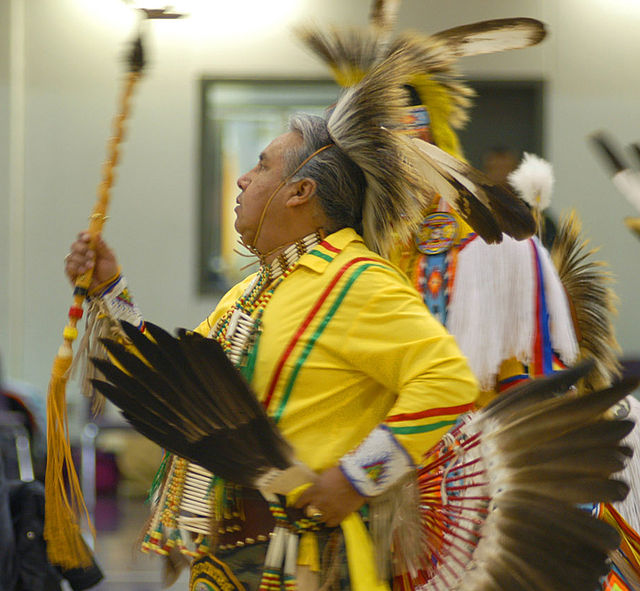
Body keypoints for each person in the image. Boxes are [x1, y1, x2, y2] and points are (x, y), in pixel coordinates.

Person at [65, 103, 479, 588]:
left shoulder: (359, 281)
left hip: (303, 561)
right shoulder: (254, 290)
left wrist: (356, 479)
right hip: (229, 557)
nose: (242, 179)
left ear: (301, 192)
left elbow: (448, 380)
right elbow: (177, 386)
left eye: (261, 166)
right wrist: (109, 290)